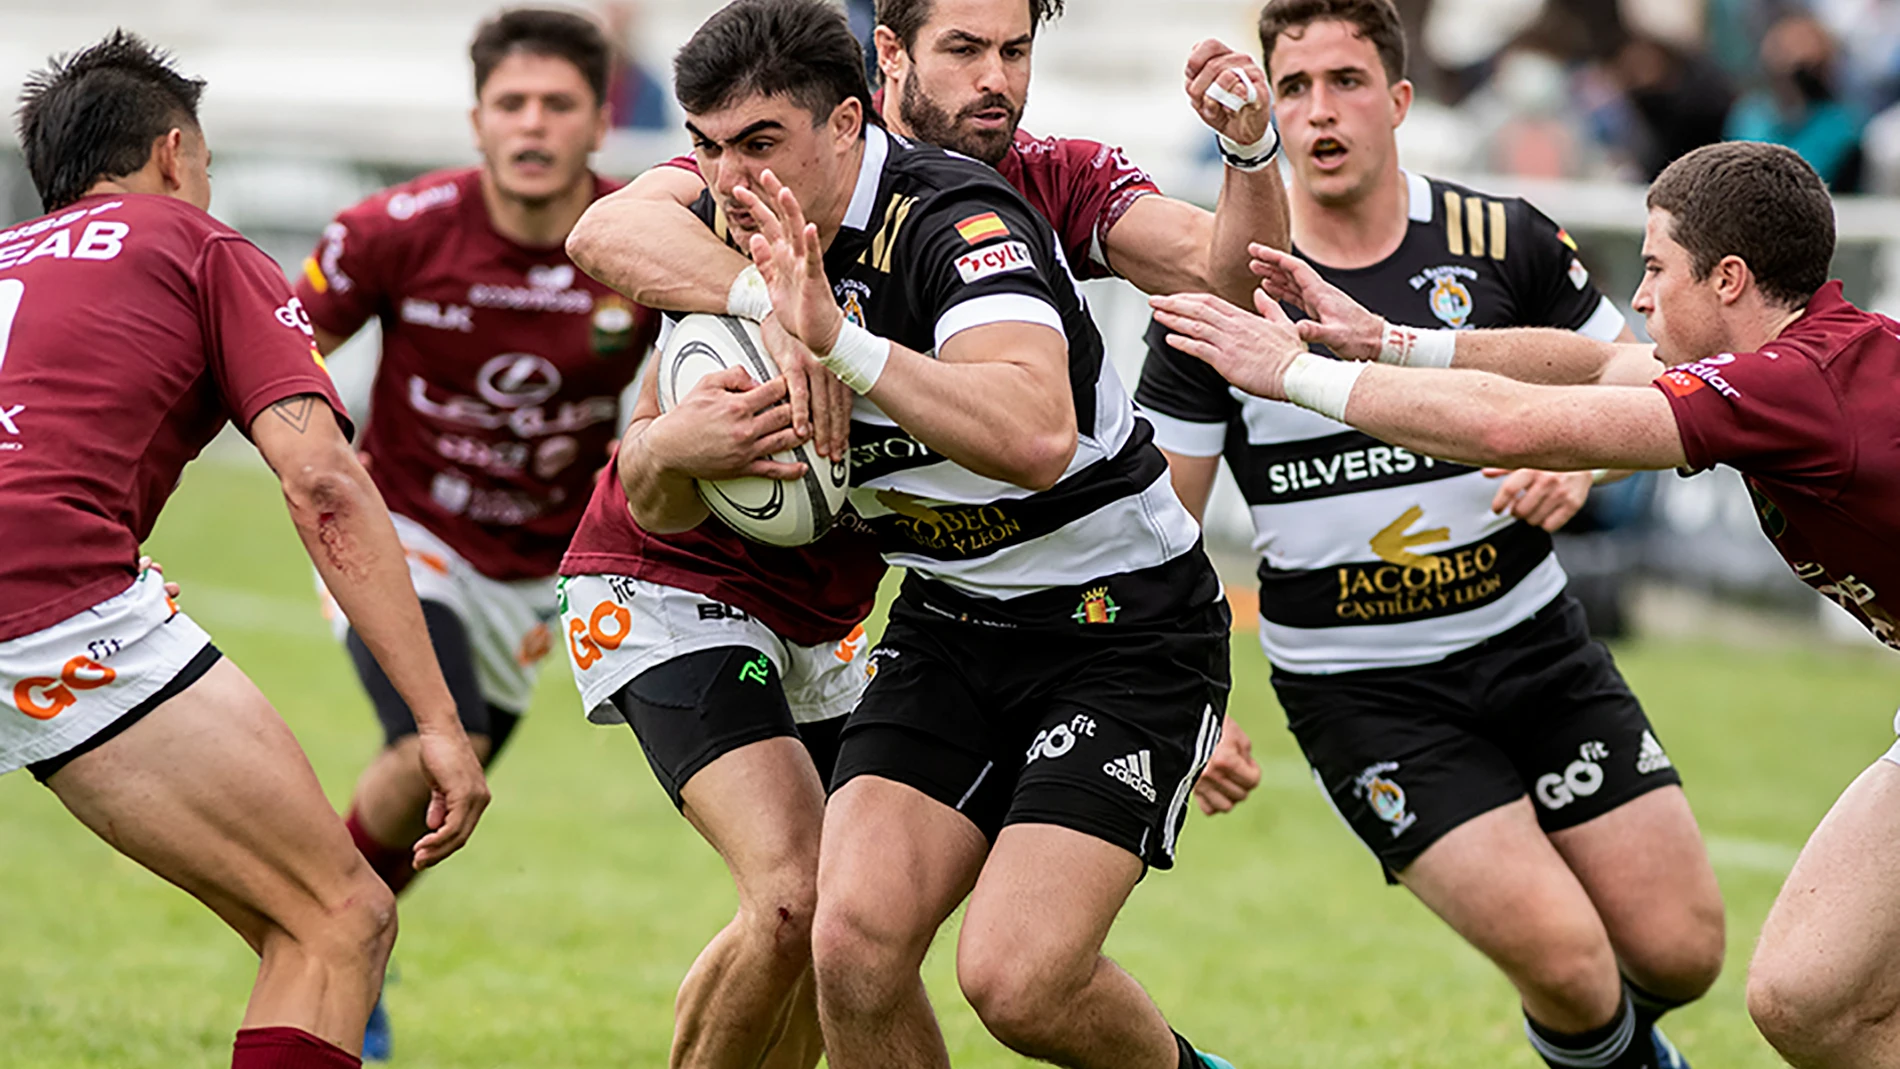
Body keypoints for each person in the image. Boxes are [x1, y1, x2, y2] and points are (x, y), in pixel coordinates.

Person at [556, 0, 1287, 1064]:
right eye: (963, 48)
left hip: (1117, 629)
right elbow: (605, 231)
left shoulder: (974, 210)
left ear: (848, 121)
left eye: (1014, 51)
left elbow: (1040, 432)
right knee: (844, 943)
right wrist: (770, 312)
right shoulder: (752, 203)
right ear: (890, 58)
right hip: (945, 613)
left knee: (1017, 981)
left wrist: (839, 345)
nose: (993, 77)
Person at [1153, 138, 1900, 1069]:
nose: (1637, 297)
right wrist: (1392, 342)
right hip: (1361, 684)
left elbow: (1515, 426)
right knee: (1804, 997)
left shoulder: (1794, 384)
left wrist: (1294, 373)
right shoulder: (1793, 364)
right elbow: (1588, 369)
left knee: (1775, 981)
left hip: (1524, 644)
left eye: (1658, 268)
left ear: (1732, 280)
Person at [1137, 6, 1726, 1069]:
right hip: (1365, 690)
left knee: (1680, 950)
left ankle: (1608, 1043)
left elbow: (1643, 379)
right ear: (1263, 106)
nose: (1320, 110)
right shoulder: (1221, 287)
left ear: (1400, 100)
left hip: (1534, 643)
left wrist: (1578, 457)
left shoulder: (1503, 239)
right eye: (1295, 85)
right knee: (1571, 964)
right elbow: (1163, 527)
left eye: (1347, 81)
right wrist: (1189, 705)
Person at [0, 31, 488, 1069]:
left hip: (49, 591)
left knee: (295, 918)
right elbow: (321, 481)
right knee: (340, 915)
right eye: (209, 166)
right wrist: (439, 720)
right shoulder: (198, 244)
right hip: (47, 604)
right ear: (175, 154)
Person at [291, 9, 658, 1059]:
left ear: (600, 123)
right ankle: (335, 944)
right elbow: (278, 349)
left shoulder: (643, 236)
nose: (532, 124)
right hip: (402, 529)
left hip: (541, 569)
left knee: (451, 786)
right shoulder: (391, 231)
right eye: (511, 104)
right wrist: (327, 459)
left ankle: (339, 922)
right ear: (478, 119)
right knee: (426, 747)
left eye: (557, 105)